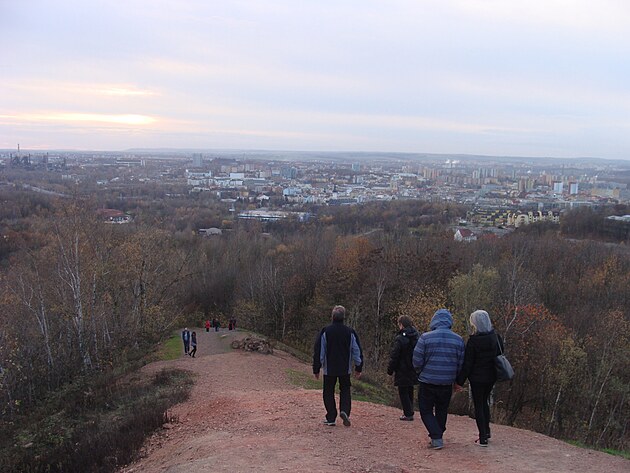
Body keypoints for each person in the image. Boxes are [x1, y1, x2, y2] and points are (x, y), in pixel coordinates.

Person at [413, 309, 464, 450]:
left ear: (434, 320)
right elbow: (461, 363)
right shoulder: (458, 340)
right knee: (442, 409)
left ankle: (436, 437)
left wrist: (419, 371)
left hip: (427, 380)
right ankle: (438, 434)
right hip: (446, 382)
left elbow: (417, 360)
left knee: (426, 410)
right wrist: (457, 380)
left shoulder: (425, 337)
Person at [456, 310, 504, 447]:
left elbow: (468, 364)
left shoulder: (473, 341)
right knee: (485, 402)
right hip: (491, 376)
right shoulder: (496, 337)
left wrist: (459, 381)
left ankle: (483, 437)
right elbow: (501, 353)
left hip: (477, 378)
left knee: (479, 405)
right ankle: (487, 431)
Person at [313, 305, 363, 427]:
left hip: (329, 368)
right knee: (345, 389)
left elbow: (320, 351)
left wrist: (316, 368)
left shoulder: (325, 331)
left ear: (332, 317)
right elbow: (356, 350)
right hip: (345, 368)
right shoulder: (350, 332)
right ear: (343, 317)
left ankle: (331, 417)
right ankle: (344, 411)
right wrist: (358, 366)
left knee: (328, 392)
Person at [387, 315, 420, 421]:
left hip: (402, 368)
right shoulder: (417, 336)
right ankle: (410, 410)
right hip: (414, 367)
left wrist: (390, 369)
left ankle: (408, 413)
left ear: (401, 324)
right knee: (410, 389)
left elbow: (395, 355)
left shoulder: (400, 338)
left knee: (403, 390)